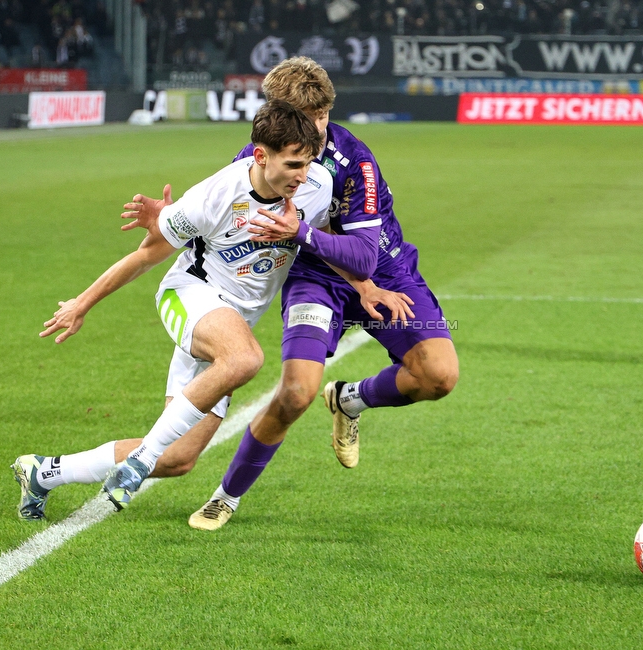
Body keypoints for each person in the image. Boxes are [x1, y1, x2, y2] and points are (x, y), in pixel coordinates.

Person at [10, 100, 394, 519]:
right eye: (291, 165)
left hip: (231, 323)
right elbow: (144, 256)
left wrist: (366, 285)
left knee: (179, 459)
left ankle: (43, 473)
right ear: (261, 156)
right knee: (246, 358)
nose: (301, 176)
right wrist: (81, 304)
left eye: (306, 163)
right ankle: (139, 461)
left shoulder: (315, 185)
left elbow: (326, 239)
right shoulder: (213, 196)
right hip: (189, 296)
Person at [186, 56, 460, 531]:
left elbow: (363, 258)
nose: (318, 130)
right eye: (305, 119)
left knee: (438, 376)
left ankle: (351, 399)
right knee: (295, 394)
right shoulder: (253, 163)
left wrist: (301, 234)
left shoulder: (356, 162)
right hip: (315, 278)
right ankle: (225, 497)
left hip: (384, 269)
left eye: (323, 117)